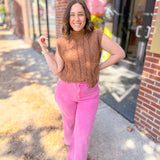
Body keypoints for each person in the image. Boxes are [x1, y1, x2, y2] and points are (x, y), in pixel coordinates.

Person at [38, 0, 125, 159]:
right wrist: (44, 50)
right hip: (65, 92)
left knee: (83, 135)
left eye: (80, 14)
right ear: (68, 18)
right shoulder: (62, 40)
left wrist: (98, 68)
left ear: (86, 16)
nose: (76, 19)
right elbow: (58, 69)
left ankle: (76, 155)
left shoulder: (97, 35)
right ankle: (70, 144)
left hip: (89, 94)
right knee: (70, 124)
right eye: (72, 15)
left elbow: (119, 53)